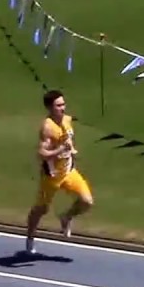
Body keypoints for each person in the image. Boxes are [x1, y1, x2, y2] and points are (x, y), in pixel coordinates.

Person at [24, 90, 93, 253]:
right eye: (58, 105)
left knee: (87, 202)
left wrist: (71, 150)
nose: (63, 108)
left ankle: (66, 217)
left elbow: (69, 129)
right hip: (52, 176)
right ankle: (30, 238)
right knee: (41, 209)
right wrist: (61, 149)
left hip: (68, 171)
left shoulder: (66, 119)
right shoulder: (47, 128)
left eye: (63, 104)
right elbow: (42, 154)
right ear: (50, 108)